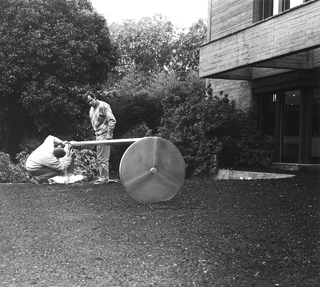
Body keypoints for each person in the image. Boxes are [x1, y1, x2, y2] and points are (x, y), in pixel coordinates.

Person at [86, 91, 116, 184]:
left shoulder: (103, 106)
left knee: (103, 157)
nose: (90, 103)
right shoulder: (91, 110)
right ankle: (102, 176)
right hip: (98, 135)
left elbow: (112, 120)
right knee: (99, 157)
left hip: (104, 133)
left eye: (91, 100)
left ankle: (104, 177)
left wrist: (109, 134)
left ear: (95, 97)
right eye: (88, 102)